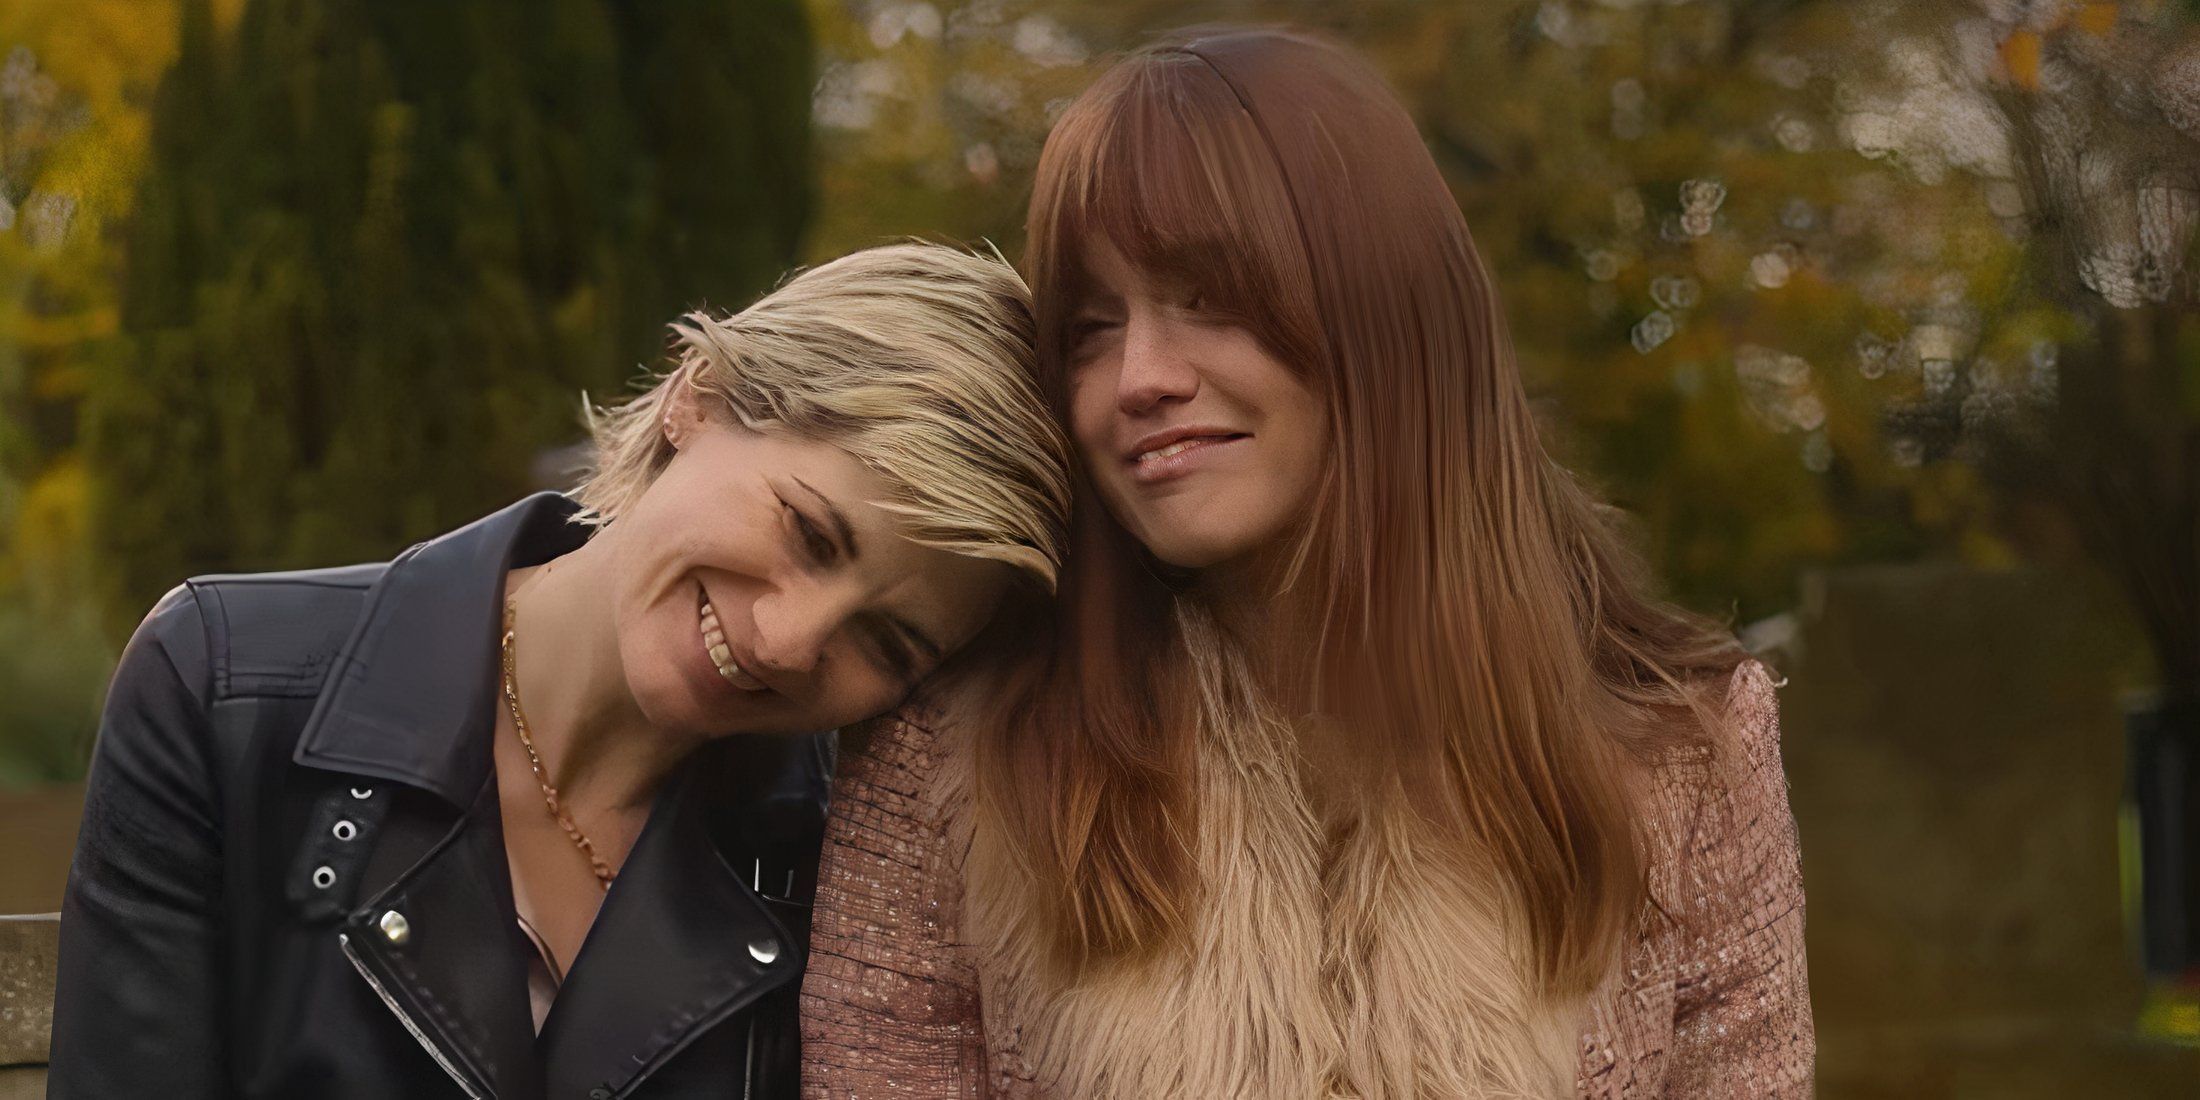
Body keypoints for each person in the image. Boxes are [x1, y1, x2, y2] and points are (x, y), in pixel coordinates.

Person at [800, 29, 1812, 1098]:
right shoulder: (958, 755)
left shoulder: (1680, 747)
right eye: (1092, 328)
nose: (1138, 375)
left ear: (1381, 311)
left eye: (1206, 298)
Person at [49, 242, 1072, 1100]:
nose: (788, 641)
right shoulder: (225, 686)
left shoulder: (832, 846)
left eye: (887, 644)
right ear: (699, 396)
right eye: (809, 531)